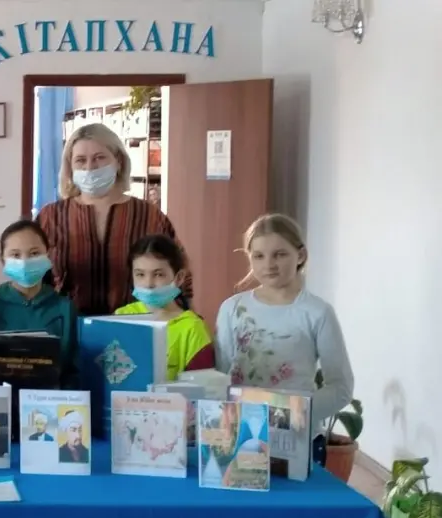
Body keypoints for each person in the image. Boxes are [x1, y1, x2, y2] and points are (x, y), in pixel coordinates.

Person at [36, 123, 193, 316]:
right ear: (70, 167)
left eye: (99, 158)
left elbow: (181, 276)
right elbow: (36, 281)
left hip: (137, 325)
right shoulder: (51, 217)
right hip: (67, 326)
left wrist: (184, 320)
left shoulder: (149, 216)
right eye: (80, 160)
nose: (90, 167)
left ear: (118, 161)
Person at [215, 214, 353, 433]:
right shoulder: (232, 308)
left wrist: (294, 413)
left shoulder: (317, 312)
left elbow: (341, 387)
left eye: (279, 254)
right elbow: (218, 378)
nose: (269, 264)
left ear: (300, 255)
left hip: (297, 436)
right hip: (242, 432)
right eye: (259, 256)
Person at [0, 220, 80, 387]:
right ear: (2, 258)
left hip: (52, 401)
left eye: (34, 253)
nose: (24, 262)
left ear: (48, 253)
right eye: (15, 255)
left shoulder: (64, 308)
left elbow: (73, 369)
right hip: (0, 400)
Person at [115, 234, 215, 380]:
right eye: (140, 274)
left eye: (159, 275)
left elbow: (202, 387)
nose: (148, 284)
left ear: (179, 278)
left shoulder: (192, 328)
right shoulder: (120, 318)